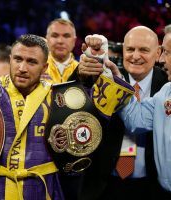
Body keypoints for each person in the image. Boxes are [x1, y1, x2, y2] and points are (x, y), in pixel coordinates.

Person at [77, 26, 168, 200]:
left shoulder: (167, 87)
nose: (135, 56)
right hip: (104, 185)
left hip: (153, 187)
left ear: (157, 54)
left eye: (143, 50)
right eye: (130, 49)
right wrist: (83, 72)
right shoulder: (106, 76)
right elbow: (77, 98)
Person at [0, 34, 64, 200]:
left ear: (45, 68)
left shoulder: (58, 100)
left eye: (32, 62)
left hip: (43, 189)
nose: (22, 68)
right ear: (10, 59)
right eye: (18, 59)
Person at [118, 26, 171, 200]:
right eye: (130, 49)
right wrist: (114, 80)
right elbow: (134, 119)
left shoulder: (163, 84)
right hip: (112, 185)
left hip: (153, 187)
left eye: (167, 53)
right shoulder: (166, 92)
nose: (162, 60)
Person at [44, 18, 78, 83]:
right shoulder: (37, 69)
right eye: (55, 36)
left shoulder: (82, 73)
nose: (60, 41)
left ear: (74, 41)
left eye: (66, 36)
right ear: (47, 39)